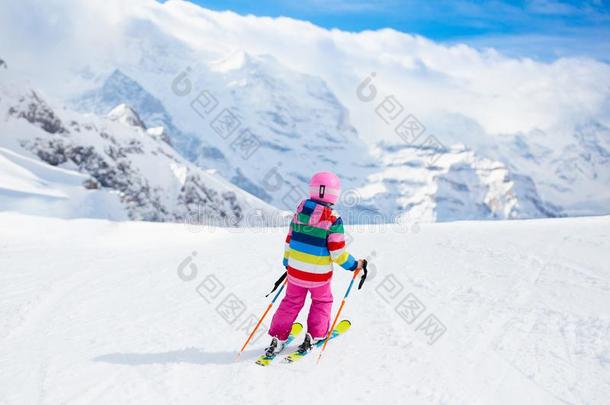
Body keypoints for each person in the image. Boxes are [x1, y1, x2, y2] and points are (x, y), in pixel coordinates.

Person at [265, 171, 365, 356]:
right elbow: (337, 253)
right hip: (319, 277)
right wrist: (354, 265)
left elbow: (290, 240)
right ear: (334, 193)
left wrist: (288, 262)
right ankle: (315, 335)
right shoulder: (334, 219)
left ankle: (278, 337)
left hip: (295, 272)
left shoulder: (300, 212)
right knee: (321, 301)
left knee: (290, 302)